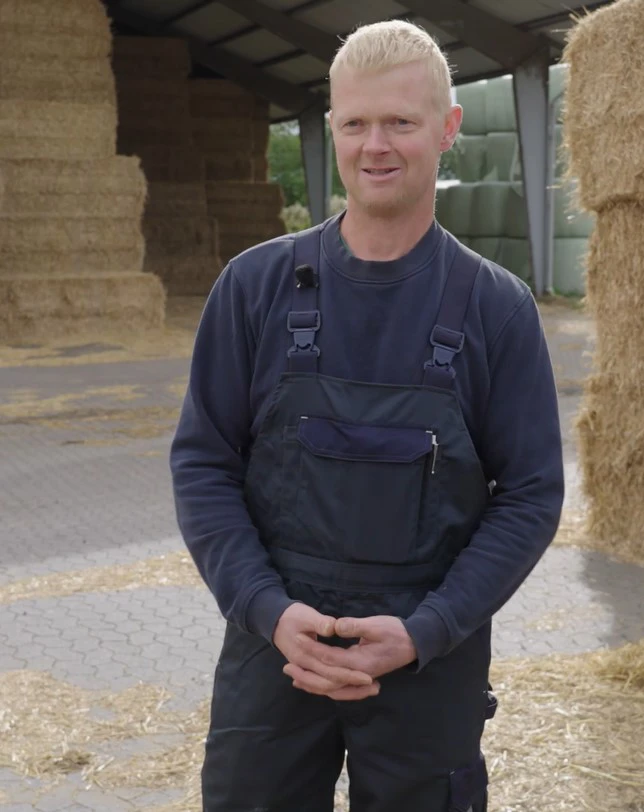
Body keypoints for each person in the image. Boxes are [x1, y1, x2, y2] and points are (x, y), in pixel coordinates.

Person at [170, 19, 564, 812]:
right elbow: (204, 463)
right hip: (276, 649)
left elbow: (530, 494)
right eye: (354, 123)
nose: (373, 145)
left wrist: (427, 630)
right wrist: (266, 610)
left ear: (447, 129)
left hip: (426, 656)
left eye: (399, 122)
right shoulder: (255, 288)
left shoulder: (497, 308)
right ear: (332, 127)